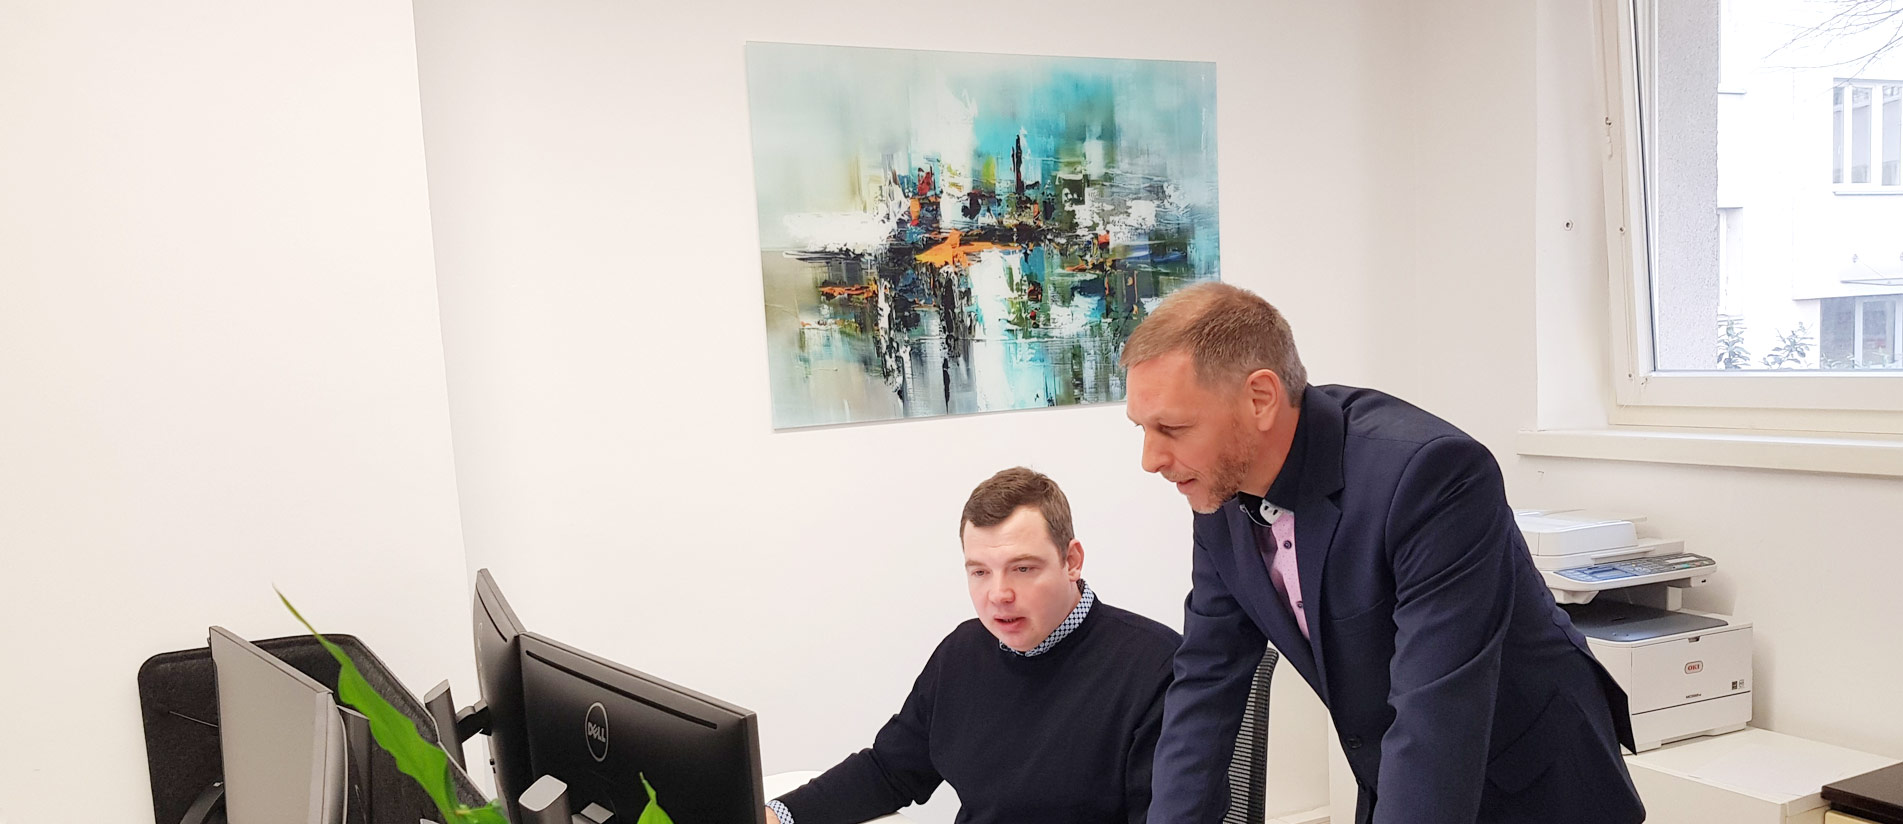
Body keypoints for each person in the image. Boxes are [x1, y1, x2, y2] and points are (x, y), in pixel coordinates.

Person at [1122, 282, 1644, 824]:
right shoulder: (1222, 489)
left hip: (1533, 782)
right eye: (1143, 429)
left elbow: (1436, 714)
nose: (1150, 459)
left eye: (1172, 428)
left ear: (1260, 398)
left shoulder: (1429, 475)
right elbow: (1206, 686)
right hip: (1398, 770)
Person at [766, 467, 1182, 824]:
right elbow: (890, 770)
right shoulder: (963, 652)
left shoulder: (1156, 668)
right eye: (980, 572)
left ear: (1071, 561)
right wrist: (778, 815)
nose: (999, 594)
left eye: (1022, 568)